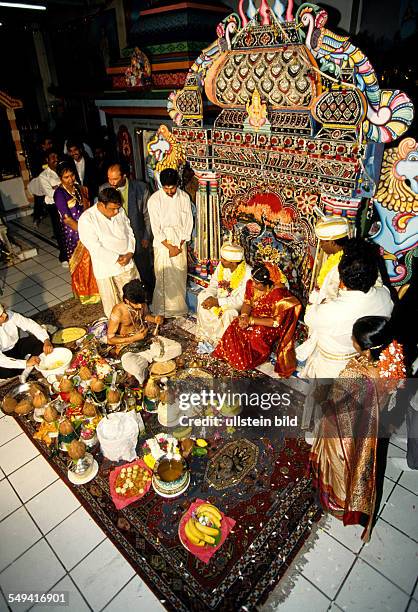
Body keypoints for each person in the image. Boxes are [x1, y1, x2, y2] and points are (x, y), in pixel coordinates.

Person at [309, 316, 406, 541]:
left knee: (339, 461)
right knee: (360, 463)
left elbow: (335, 400)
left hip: (345, 425)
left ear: (367, 348)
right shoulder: (392, 359)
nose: (351, 340)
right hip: (370, 421)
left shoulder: (355, 374)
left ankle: (339, 501)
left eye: (354, 338)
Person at [298, 243, 394, 378]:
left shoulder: (330, 311)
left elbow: (309, 318)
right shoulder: (384, 295)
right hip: (363, 359)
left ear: (342, 279)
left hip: (331, 366)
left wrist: (322, 301)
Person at [213, 264, 302, 377]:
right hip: (254, 316)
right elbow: (247, 302)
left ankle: (246, 361)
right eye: (253, 281)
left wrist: (251, 321)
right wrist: (244, 316)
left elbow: (275, 322)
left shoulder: (278, 294)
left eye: (258, 283)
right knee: (236, 325)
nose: (253, 285)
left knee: (256, 334)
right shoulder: (251, 284)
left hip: (269, 324)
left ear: (268, 283)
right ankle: (228, 354)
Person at [78, 187, 140, 318]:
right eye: (112, 209)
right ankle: (117, 330)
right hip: (106, 268)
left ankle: (136, 322)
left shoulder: (120, 211)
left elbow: (129, 232)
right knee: (112, 304)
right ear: (101, 204)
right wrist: (117, 258)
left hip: (126, 262)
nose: (117, 211)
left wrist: (129, 252)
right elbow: (94, 247)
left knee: (134, 297)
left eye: (118, 208)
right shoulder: (87, 219)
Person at [107, 279, 181, 384]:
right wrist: (134, 338)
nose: (141, 306)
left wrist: (155, 319)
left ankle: (147, 361)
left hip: (146, 341)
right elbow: (110, 340)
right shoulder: (118, 311)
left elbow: (145, 316)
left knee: (177, 348)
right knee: (134, 367)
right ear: (127, 300)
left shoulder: (142, 303)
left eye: (142, 303)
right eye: (137, 304)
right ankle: (150, 361)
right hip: (128, 347)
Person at [147, 168, 193, 317]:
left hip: (180, 240)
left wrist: (179, 245)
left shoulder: (184, 197)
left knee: (179, 275)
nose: (169, 191)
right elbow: (155, 228)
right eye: (166, 188)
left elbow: (188, 223)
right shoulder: (154, 200)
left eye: (172, 188)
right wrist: (169, 247)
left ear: (177, 184)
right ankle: (163, 310)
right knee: (163, 276)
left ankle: (178, 309)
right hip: (163, 243)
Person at [101, 162, 154, 291]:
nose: (111, 182)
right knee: (124, 275)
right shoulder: (104, 189)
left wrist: (147, 236)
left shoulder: (141, 188)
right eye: (109, 178)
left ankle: (149, 297)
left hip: (138, 237)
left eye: (115, 179)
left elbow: (148, 215)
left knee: (144, 271)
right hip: (117, 240)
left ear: (124, 176)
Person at [54, 162, 100, 305]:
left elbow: (89, 209)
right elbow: (67, 219)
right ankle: (85, 294)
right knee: (81, 263)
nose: (70, 179)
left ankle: (97, 290)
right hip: (74, 233)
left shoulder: (80, 189)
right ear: (60, 178)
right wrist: (83, 231)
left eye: (72, 175)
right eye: (66, 177)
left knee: (92, 261)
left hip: (88, 228)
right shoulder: (59, 194)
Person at [197, 242, 252, 347]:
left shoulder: (248, 273)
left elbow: (241, 301)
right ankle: (205, 335)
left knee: (230, 313)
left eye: (224, 260)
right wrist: (210, 297)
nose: (220, 260)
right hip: (218, 297)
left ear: (234, 263)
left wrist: (218, 302)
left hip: (233, 305)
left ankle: (221, 343)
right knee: (201, 296)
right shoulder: (221, 266)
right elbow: (213, 284)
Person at [0, 304, 53, 379]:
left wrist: (46, 340)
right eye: (1, 316)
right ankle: (27, 366)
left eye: (3, 311)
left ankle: (26, 370)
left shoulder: (10, 314)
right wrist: (25, 363)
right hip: (2, 355)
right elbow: (1, 360)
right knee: (5, 372)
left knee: (41, 341)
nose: (5, 315)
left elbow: (30, 325)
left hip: (16, 346)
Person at [309, 216, 350, 305]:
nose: (321, 246)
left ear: (332, 242)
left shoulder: (342, 265)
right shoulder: (336, 258)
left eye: (322, 242)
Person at [38, 150, 67, 265]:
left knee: (70, 229)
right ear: (47, 160)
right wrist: (62, 186)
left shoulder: (62, 170)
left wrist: (57, 186)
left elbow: (72, 183)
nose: (55, 159)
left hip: (68, 201)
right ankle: (64, 257)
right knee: (59, 230)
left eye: (56, 156)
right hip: (54, 205)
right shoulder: (43, 176)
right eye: (52, 157)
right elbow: (50, 193)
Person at [66, 140, 98, 204]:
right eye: (71, 151)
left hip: (92, 197)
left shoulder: (91, 162)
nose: (73, 153)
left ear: (80, 149)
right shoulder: (68, 165)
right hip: (76, 198)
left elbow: (96, 181)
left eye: (75, 150)